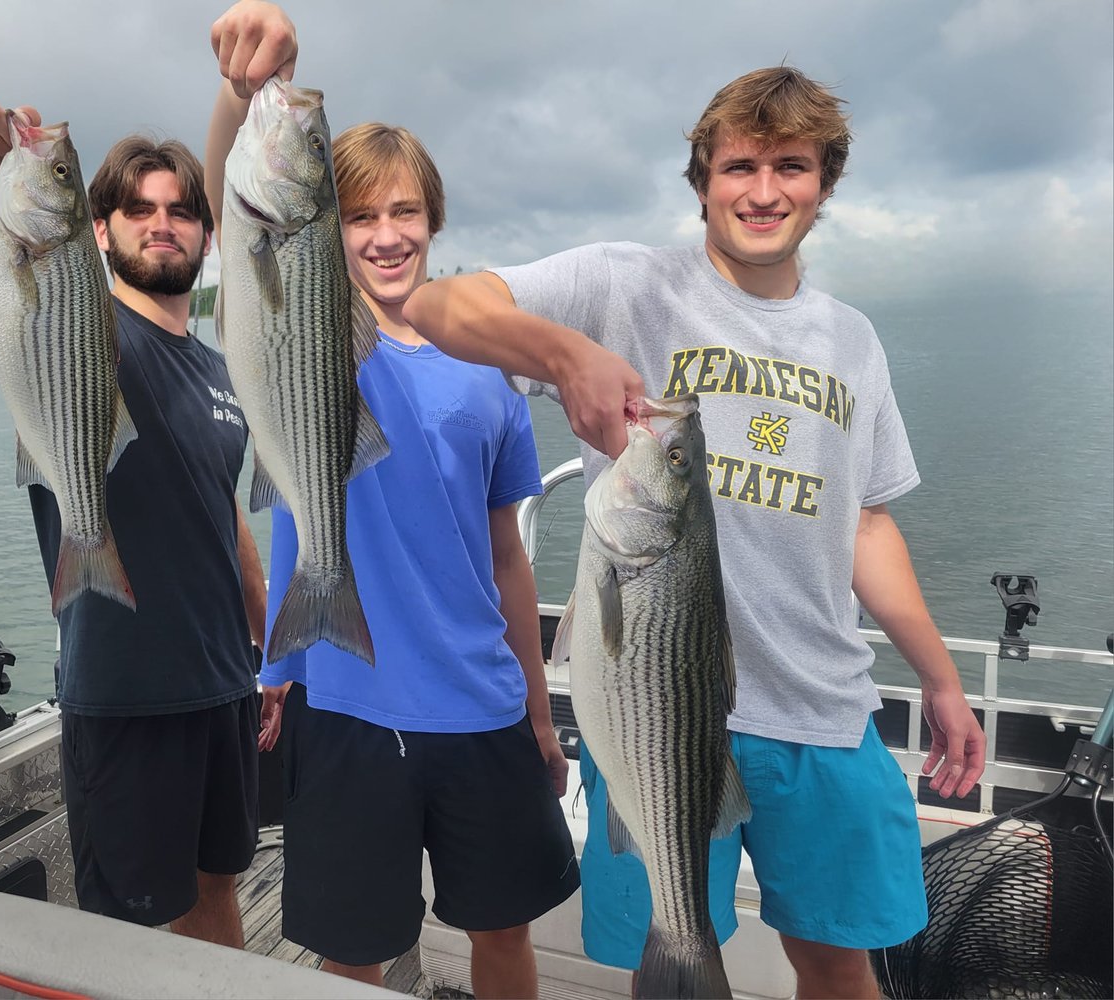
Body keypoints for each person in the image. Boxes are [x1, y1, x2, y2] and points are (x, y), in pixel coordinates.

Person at [404, 66, 988, 999]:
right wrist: (565, 352)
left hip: (822, 709)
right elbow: (434, 307)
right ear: (703, 180)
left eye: (789, 166)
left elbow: (865, 523)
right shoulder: (620, 284)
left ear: (824, 183)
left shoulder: (853, 340)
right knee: (665, 958)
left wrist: (941, 679)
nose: (763, 192)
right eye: (737, 166)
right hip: (653, 709)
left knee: (839, 961)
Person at [0, 1, 297, 945]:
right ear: (97, 230)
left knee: (218, 895)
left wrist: (264, 637)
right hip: (127, 693)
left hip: (225, 685)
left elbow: (218, 508)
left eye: (182, 210)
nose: (164, 224)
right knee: (132, 936)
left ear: (203, 232)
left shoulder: (222, 366)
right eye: (138, 208)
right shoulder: (77, 325)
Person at [208, 7, 579, 996]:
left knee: (502, 934)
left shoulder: (489, 369)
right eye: (361, 215)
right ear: (332, 226)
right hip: (348, 703)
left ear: (434, 221)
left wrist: (541, 713)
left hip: (482, 703)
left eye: (403, 212)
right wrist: (246, 98)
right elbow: (238, 210)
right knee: (350, 953)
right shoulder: (315, 330)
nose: (383, 235)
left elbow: (508, 559)